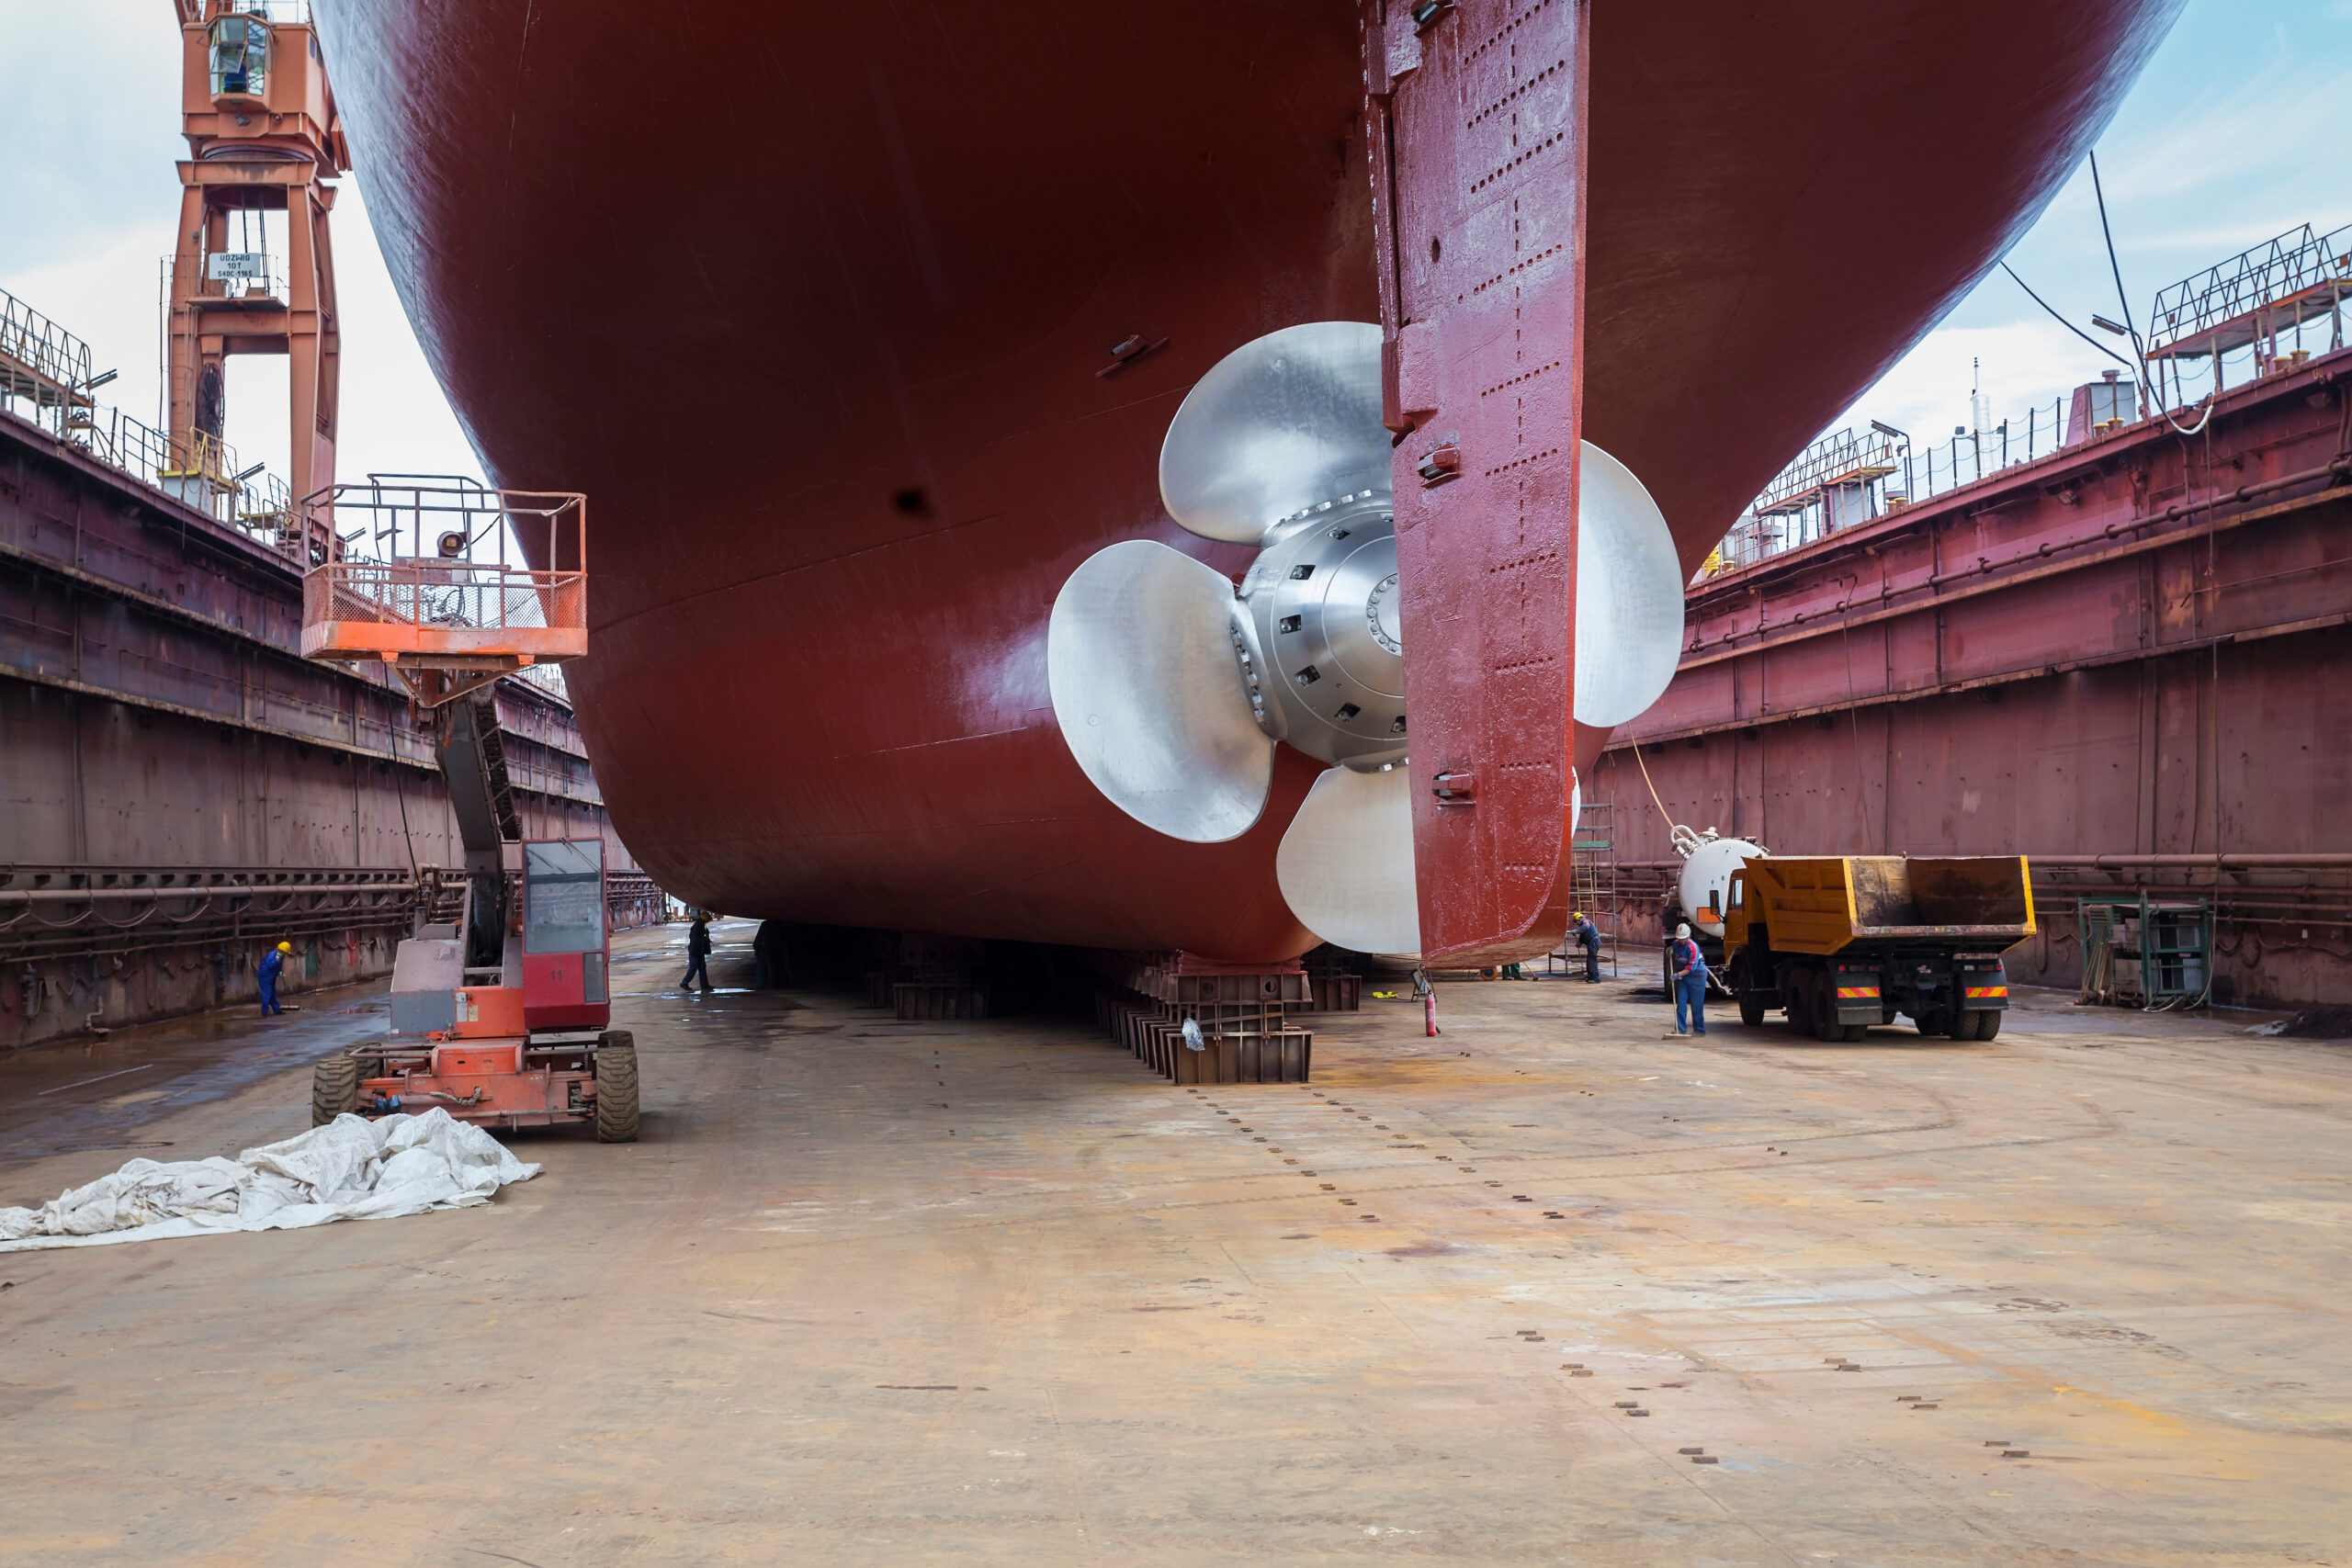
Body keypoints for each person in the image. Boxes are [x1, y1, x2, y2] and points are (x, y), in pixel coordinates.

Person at [1669, 922, 1707, 1035]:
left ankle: (1699, 1030)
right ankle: (1680, 1029)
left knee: (1696, 1004)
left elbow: (1691, 968)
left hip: (1697, 976)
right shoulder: (1675, 944)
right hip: (1682, 976)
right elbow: (1674, 955)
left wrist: (1677, 975)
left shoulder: (1693, 948)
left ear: (1688, 936)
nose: (1681, 941)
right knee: (1681, 1002)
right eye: (1679, 938)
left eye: (1683, 938)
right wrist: (1669, 951)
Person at [257, 940, 290, 1016]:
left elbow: (278, 967)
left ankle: (277, 1010)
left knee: (273, 994)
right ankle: (265, 1011)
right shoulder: (272, 955)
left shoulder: (280, 956)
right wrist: (277, 960)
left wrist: (280, 972)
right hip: (265, 977)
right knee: (267, 994)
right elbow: (270, 965)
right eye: (284, 953)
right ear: (281, 950)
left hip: (271, 977)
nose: (285, 954)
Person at [682, 912, 713, 992]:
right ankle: (684, 983)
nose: (708, 922)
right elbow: (696, 939)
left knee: (702, 968)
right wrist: (705, 938)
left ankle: (705, 985)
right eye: (707, 920)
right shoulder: (698, 927)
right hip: (695, 951)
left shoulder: (700, 925)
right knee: (693, 968)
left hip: (698, 951)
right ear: (704, 920)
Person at [1574, 912, 1601, 983]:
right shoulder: (1582, 926)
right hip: (1591, 942)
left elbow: (1585, 927)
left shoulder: (1585, 921)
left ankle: (1596, 979)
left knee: (1592, 960)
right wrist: (1579, 943)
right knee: (1589, 960)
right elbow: (1582, 936)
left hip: (1593, 941)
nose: (1576, 923)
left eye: (1576, 921)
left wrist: (1576, 931)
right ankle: (1590, 977)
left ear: (1578, 919)